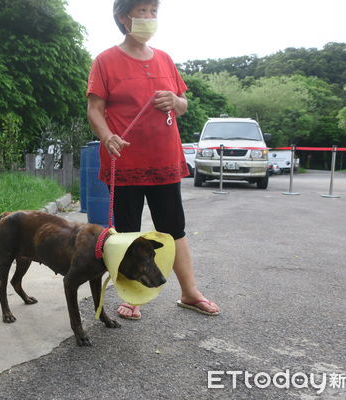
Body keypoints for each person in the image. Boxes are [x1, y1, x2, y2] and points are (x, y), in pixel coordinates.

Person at [86, 0, 220, 319]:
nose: (149, 18)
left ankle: (190, 293)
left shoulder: (165, 59)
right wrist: (107, 136)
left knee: (174, 228)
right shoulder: (105, 61)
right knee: (129, 233)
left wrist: (175, 100)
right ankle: (132, 297)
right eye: (142, 12)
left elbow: (183, 104)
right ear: (123, 18)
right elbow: (94, 109)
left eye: (153, 12)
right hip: (125, 163)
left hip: (165, 162)